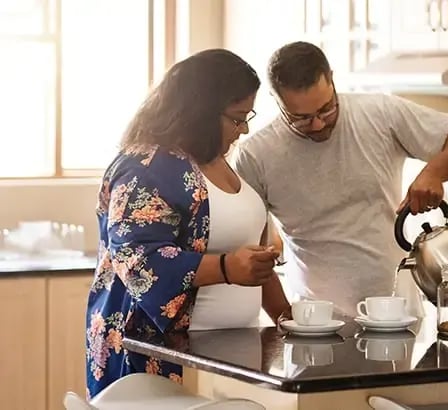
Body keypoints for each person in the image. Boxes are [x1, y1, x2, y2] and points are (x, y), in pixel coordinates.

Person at [85, 49, 292, 399]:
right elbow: (139, 260)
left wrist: (292, 321)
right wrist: (227, 267)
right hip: (164, 362)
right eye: (237, 118)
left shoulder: (221, 162)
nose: (243, 130)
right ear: (201, 111)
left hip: (230, 361)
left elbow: (255, 264)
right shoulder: (145, 167)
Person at [233, 41, 448, 318]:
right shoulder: (255, 156)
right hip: (313, 318)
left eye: (326, 109)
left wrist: (434, 172)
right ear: (276, 98)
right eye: (301, 118)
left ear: (331, 78)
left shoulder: (380, 112)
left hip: (396, 312)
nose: (318, 124)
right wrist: (284, 318)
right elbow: (255, 257)